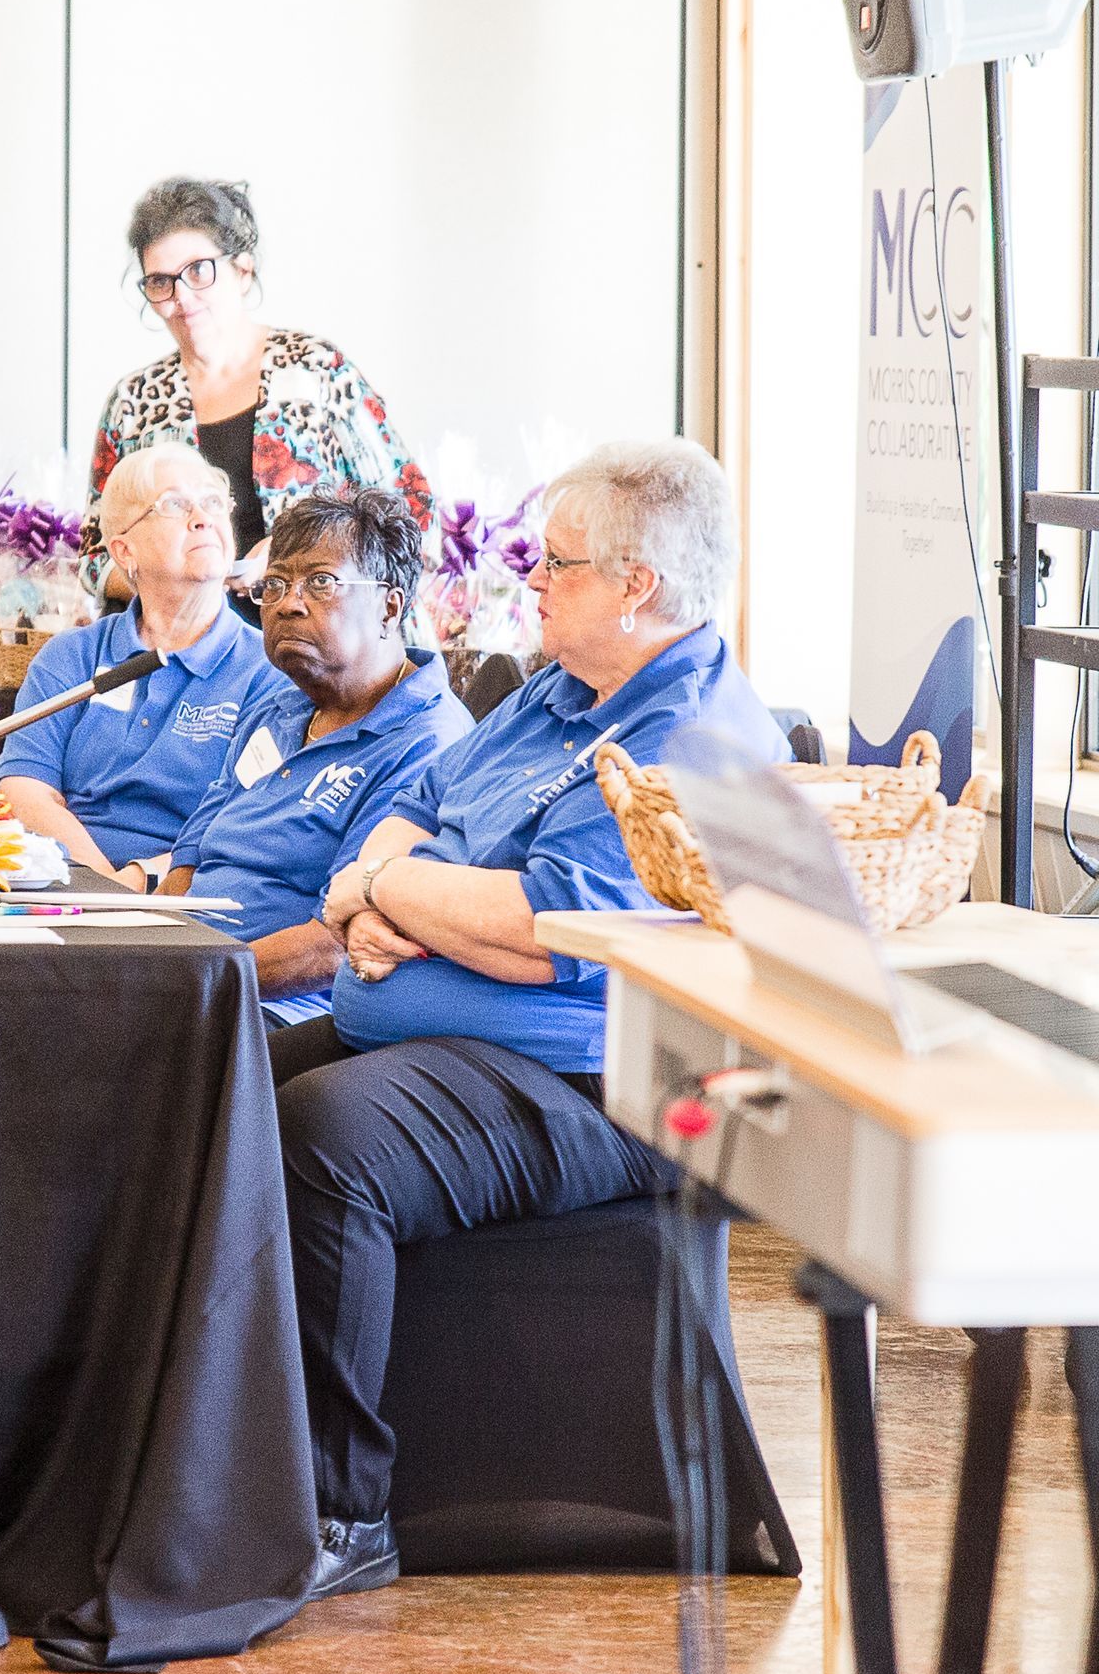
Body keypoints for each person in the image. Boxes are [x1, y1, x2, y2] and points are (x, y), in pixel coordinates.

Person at [272, 438, 788, 1600]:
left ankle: (339, 1515)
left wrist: (385, 895)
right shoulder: (558, 686)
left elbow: (546, 929)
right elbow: (414, 803)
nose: (530, 579)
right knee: (213, 1072)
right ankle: (210, 1457)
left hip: (610, 1085)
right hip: (453, 1026)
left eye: (555, 562)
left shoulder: (687, 740)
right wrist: (391, 886)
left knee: (325, 1143)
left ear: (638, 586)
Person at [163, 486, 470, 1022]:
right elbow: (192, 855)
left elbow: (335, 940)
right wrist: (145, 957)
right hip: (195, 979)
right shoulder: (277, 709)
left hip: (282, 1009)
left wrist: (192, 984)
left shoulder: (428, 743)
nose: (288, 602)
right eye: (275, 584)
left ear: (389, 606)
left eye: (320, 582)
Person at [79, 178, 433, 607]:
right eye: (161, 282)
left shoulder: (315, 371)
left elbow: (411, 510)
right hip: (181, 659)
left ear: (242, 271)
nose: (183, 297)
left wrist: (299, 557)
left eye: (198, 270)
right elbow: (94, 558)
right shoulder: (133, 403)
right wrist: (162, 576)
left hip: (319, 651)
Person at [0, 443, 285, 878]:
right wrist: (101, 886)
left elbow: (247, 827)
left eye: (211, 501)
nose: (202, 517)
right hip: (66, 884)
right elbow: (25, 791)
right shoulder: (72, 655)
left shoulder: (269, 671)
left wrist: (138, 881)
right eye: (174, 504)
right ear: (125, 551)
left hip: (188, 898)